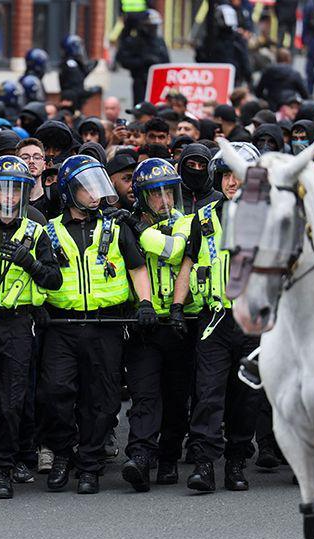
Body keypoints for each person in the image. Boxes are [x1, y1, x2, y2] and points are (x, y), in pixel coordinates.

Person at [38, 156, 153, 495]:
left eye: (96, 187)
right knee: (54, 393)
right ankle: (63, 453)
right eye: (87, 188)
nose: (95, 195)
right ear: (70, 191)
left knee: (101, 400)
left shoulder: (115, 226)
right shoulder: (49, 230)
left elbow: (137, 268)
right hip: (62, 325)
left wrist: (144, 302)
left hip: (107, 325)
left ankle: (89, 464)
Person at [171, 143, 263, 492]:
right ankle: (204, 465)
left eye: (238, 175)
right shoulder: (204, 217)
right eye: (225, 175)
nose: (231, 182)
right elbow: (188, 264)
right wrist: (178, 307)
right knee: (207, 394)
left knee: (246, 397)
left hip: (253, 321)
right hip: (214, 320)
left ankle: (237, 462)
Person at [0, 156, 62, 498]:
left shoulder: (37, 232)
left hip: (20, 324)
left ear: (24, 195)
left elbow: (53, 280)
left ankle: (2, 468)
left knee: (12, 401)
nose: (8, 198)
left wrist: (31, 263)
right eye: (1, 191)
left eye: (15, 192)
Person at [118, 159, 194, 492]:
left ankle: (168, 457)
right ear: (142, 197)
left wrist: (140, 231)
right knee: (145, 394)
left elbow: (174, 252)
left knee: (177, 397)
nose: (165, 201)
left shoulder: (187, 223)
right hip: (145, 323)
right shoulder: (130, 224)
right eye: (155, 194)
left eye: (169, 192)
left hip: (179, 322)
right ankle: (140, 457)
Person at [115, 10, 170, 103]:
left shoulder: (159, 41)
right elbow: (123, 60)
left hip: (158, 83)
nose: (154, 29)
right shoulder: (134, 41)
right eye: (152, 26)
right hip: (141, 81)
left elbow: (167, 61)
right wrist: (142, 61)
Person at [59, 35, 100, 111]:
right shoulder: (71, 65)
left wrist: (87, 69)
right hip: (71, 107)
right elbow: (77, 89)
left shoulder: (70, 63)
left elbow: (78, 77)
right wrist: (91, 91)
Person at [178, 143, 219, 215]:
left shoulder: (219, 199)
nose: (197, 170)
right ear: (181, 167)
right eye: (191, 165)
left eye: (203, 166)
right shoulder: (172, 198)